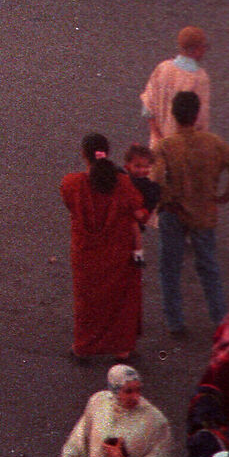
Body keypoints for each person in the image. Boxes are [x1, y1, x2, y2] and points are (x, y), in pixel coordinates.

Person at [154, 87, 229, 339]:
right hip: (204, 211)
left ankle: (175, 321)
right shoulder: (213, 143)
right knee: (209, 266)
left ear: (174, 115)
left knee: (170, 267)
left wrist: (167, 199)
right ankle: (219, 318)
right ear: (197, 114)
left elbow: (157, 179)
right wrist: (228, 193)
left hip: (174, 212)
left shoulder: (166, 146)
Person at [62, 134, 146, 363]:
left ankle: (83, 347)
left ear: (84, 154)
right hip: (119, 253)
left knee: (87, 303)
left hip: (86, 254)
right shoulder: (124, 184)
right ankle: (122, 348)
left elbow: (70, 204)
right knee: (122, 300)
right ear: (108, 152)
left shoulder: (71, 184)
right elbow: (139, 214)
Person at [53, 365, 172, 457]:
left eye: (138, 390)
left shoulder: (155, 421)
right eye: (128, 391)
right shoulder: (99, 403)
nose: (136, 397)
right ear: (114, 391)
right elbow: (77, 445)